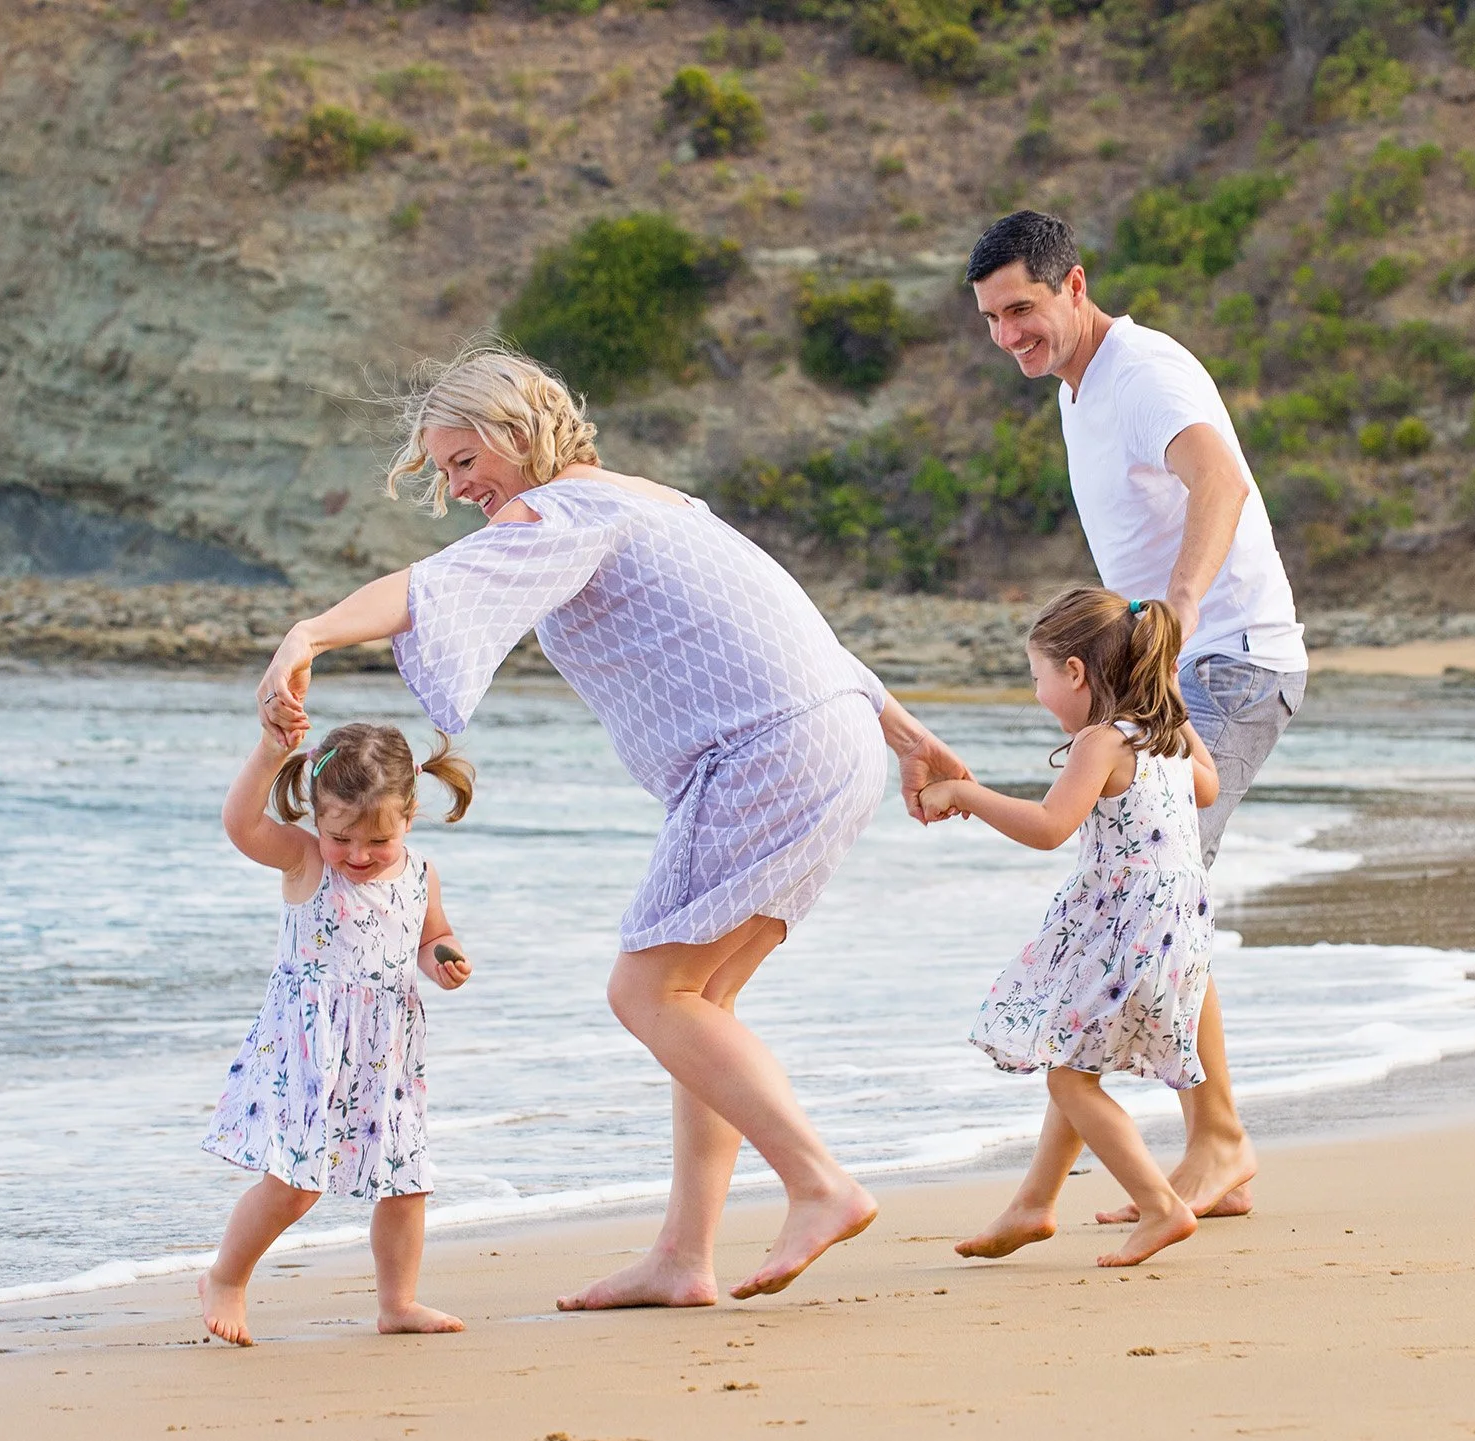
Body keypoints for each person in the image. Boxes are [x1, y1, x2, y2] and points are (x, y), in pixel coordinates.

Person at [255, 347, 972, 1307]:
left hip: (765, 752)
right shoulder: (652, 499)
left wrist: (309, 633)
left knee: (648, 994)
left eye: (466, 462)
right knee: (698, 1003)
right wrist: (906, 734)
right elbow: (795, 629)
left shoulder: (560, 510)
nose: (460, 488)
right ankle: (685, 1257)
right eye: (444, 471)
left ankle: (817, 1181)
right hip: (828, 736)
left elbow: (431, 589)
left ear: (517, 435)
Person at [963, 210, 1310, 1221]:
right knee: (1141, 891)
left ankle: (1216, 1142)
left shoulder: (1143, 371)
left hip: (1227, 665)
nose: (1007, 336)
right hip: (1174, 678)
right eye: (990, 319)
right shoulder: (1078, 387)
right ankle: (1187, 1153)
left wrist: (1184, 607)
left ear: (1075, 286)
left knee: (1153, 889)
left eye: (1021, 309)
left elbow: (1221, 479)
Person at [920, 589, 1220, 1267]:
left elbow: (1051, 827)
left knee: (1068, 1080)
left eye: (1038, 677)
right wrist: (1171, 698)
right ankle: (1033, 1205)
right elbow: (1211, 786)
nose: (1039, 694)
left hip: (1124, 934)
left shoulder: (1101, 741)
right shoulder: (1161, 738)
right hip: (1173, 934)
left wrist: (965, 793)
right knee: (1071, 1060)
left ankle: (1160, 1206)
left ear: (1076, 673)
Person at [197, 719, 477, 1347]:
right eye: (339, 836)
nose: (356, 854)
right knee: (297, 1183)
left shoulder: (421, 873)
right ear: (316, 820)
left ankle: (398, 1302)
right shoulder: (304, 861)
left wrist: (445, 960)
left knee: (408, 1180)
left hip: (386, 1053)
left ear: (410, 814)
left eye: (377, 838)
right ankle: (226, 1278)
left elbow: (430, 938)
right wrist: (272, 751)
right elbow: (241, 825)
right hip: (310, 1047)